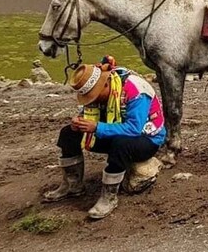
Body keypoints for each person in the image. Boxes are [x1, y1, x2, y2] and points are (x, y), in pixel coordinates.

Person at [42, 57, 166, 219]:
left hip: (146, 138)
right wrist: (78, 123)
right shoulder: (103, 91)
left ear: (105, 85)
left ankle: (109, 196)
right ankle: (73, 185)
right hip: (114, 130)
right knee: (69, 133)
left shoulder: (136, 91)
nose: (92, 101)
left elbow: (134, 129)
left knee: (121, 144)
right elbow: (89, 114)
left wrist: (97, 127)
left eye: (93, 96)